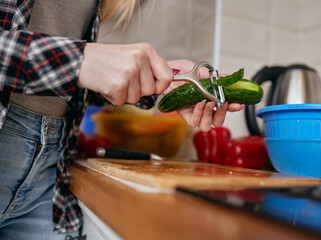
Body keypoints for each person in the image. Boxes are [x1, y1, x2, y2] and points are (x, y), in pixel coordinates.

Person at [0, 0, 243, 239]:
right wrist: (81, 60)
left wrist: (160, 82)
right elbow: (77, 65)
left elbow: (72, 80)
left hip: (50, 182)